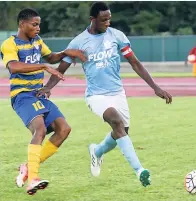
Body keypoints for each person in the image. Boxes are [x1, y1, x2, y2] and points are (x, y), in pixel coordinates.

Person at [37, 2, 172, 187]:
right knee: (116, 122)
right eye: (103, 19)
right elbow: (62, 67)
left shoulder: (117, 36)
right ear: (92, 20)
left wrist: (155, 87)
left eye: (109, 18)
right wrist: (48, 87)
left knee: (122, 132)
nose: (108, 22)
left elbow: (135, 62)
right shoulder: (78, 42)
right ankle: (140, 170)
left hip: (118, 93)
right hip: (96, 95)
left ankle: (97, 151)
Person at [0, 8, 86, 195]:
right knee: (40, 129)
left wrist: (65, 52)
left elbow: (51, 57)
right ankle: (33, 180)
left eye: (39, 24)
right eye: (34, 24)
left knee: (64, 129)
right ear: (22, 24)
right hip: (22, 96)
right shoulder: (9, 44)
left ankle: (28, 167)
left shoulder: (37, 41)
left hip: (38, 94)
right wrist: (44, 66)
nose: (38, 28)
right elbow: (13, 66)